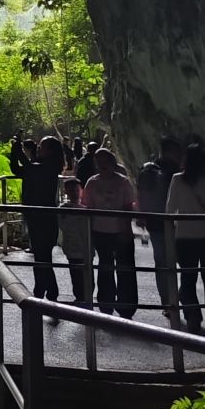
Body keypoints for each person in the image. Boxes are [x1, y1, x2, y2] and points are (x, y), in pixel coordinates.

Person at [166, 140, 205, 337]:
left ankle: (192, 315)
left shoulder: (177, 180)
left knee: (188, 277)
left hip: (184, 237)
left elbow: (170, 209)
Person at [82, 147, 139, 317]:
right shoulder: (92, 183)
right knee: (105, 266)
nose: (102, 164)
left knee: (125, 268)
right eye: (98, 161)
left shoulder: (123, 182)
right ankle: (105, 302)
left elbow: (128, 207)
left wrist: (125, 229)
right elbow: (88, 208)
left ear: (112, 162)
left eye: (105, 161)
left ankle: (126, 305)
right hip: (100, 231)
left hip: (120, 231)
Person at [136, 135, 184, 324]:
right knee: (182, 264)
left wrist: (142, 215)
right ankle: (176, 300)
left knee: (162, 264)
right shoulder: (177, 172)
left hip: (156, 224)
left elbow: (140, 193)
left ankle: (168, 303)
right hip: (178, 224)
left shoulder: (148, 169)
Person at [15, 135, 65, 310]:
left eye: (42, 146)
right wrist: (17, 151)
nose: (38, 148)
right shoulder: (45, 166)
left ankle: (44, 292)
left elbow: (27, 168)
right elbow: (20, 170)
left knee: (42, 256)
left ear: (50, 150)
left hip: (43, 218)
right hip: (40, 217)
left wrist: (19, 151)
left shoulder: (47, 167)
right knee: (42, 256)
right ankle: (46, 291)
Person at [59, 171, 92, 306]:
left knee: (86, 275)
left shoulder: (86, 209)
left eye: (76, 190)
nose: (74, 193)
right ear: (66, 192)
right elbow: (63, 225)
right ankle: (80, 298)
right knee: (76, 275)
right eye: (71, 190)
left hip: (85, 247)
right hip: (73, 247)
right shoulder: (64, 209)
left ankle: (86, 297)